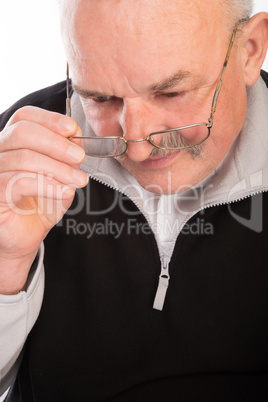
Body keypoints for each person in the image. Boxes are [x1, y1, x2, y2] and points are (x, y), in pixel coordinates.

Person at [0, 0, 268, 400]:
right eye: (101, 99)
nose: (138, 146)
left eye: (171, 92)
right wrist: (6, 263)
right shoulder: (20, 150)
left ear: (250, 51)